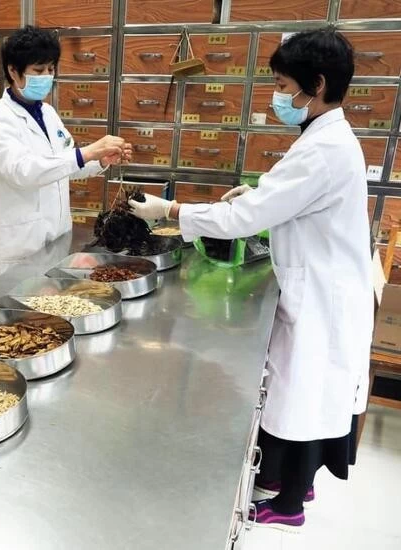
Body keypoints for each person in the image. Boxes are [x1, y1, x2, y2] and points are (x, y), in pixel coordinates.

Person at [129, 29, 372, 531]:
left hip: (323, 297)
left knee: (302, 396)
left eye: (283, 86)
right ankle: (297, 483)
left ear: (316, 85)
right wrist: (259, 193)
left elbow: (245, 219)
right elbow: (287, 201)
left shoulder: (325, 148)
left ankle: (289, 506)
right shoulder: (325, 137)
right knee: (306, 396)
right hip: (322, 285)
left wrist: (169, 210)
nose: (276, 97)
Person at [0, 26, 132, 280]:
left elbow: (64, 165)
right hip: (21, 247)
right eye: (39, 70)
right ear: (13, 71)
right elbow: (24, 172)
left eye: (51, 69)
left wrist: (99, 160)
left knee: (53, 301)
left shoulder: (48, 114)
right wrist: (87, 152)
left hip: (57, 240)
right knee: (21, 305)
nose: (47, 77)